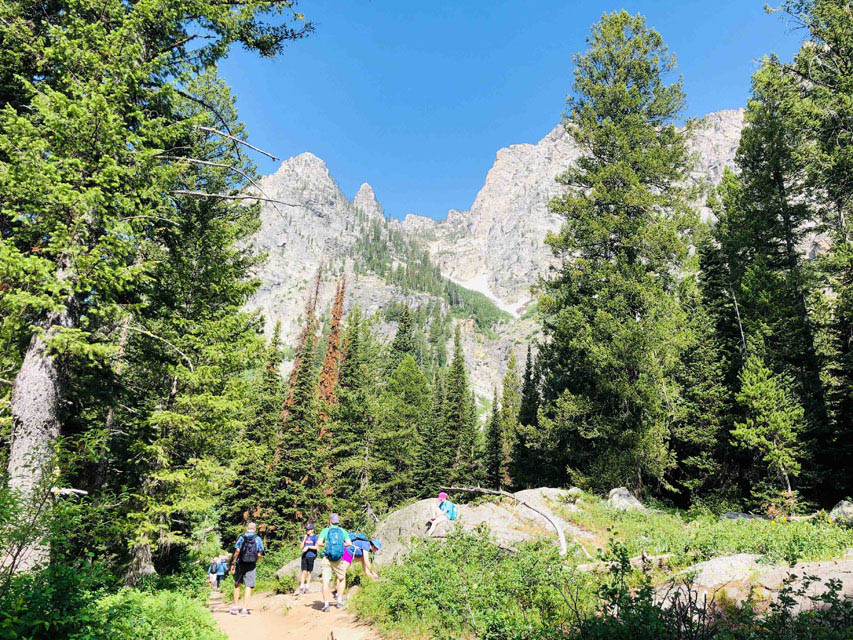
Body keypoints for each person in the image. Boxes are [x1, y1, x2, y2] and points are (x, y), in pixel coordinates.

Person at [317, 513, 352, 612]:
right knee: (341, 578)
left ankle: (326, 604)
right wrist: (341, 545)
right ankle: (339, 601)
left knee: (325, 581)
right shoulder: (342, 531)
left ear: (330, 521)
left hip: (327, 558)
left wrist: (326, 545)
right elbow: (349, 543)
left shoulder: (326, 530)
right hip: (338, 559)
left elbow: (319, 543)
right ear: (338, 522)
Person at [229, 522, 264, 617]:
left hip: (240, 563)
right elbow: (260, 553)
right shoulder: (258, 539)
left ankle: (235, 607)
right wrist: (255, 561)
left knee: (237, 584)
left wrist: (233, 562)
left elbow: (237, 551)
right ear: (255, 529)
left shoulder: (242, 537)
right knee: (249, 585)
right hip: (251, 565)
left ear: (246, 528)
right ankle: (244, 609)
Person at [296, 522, 319, 595]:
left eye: (309, 529)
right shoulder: (305, 537)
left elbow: (317, 547)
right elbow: (300, 547)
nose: (307, 531)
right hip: (304, 556)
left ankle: (307, 586)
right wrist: (304, 539)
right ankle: (302, 586)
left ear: (312, 530)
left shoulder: (315, 537)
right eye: (306, 529)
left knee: (309, 571)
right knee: (303, 571)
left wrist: (308, 547)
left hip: (311, 556)